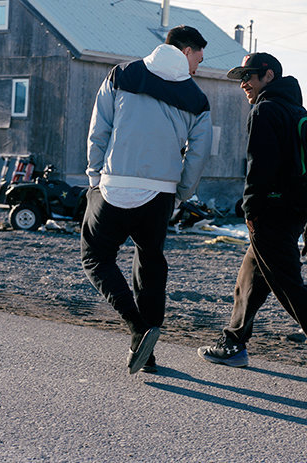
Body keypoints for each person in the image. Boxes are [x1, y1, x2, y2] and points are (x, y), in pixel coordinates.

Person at [197, 53, 307, 383]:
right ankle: (234, 342)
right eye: (241, 78)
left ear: (268, 75)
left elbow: (260, 165)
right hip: (293, 211)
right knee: (251, 277)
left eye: (248, 76)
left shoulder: (265, 109)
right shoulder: (299, 112)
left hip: (270, 212)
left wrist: (250, 210)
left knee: (285, 282)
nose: (243, 84)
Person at [81, 25, 213, 374]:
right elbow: (198, 154)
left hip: (113, 185)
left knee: (95, 257)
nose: (201, 62)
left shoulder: (123, 74)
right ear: (186, 51)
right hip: (160, 194)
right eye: (200, 54)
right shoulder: (197, 98)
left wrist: (94, 175)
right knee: (150, 261)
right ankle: (146, 346)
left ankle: (138, 329)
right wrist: (180, 191)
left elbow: (100, 127)